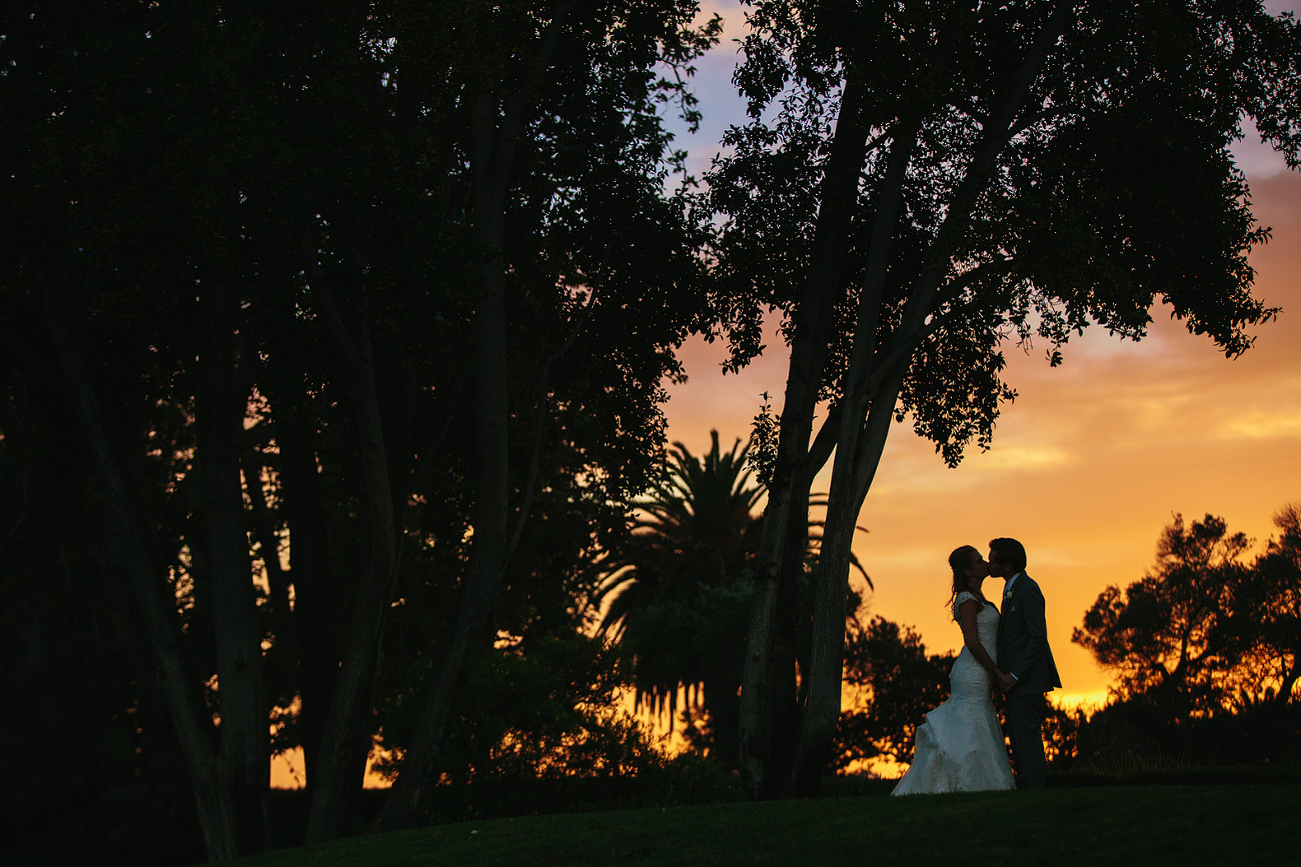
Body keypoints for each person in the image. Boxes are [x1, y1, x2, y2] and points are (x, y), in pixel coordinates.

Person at [892, 545, 1015, 795]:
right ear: (968, 571)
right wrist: (996, 671)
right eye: (979, 562)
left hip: (983, 672)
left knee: (979, 721)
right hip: (973, 672)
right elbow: (972, 642)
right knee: (970, 725)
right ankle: (963, 782)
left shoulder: (980, 599)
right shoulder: (967, 600)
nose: (984, 564)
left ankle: (981, 783)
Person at [988, 536, 1061, 789]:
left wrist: (1015, 675)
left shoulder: (1028, 590)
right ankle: (1029, 789)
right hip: (1017, 683)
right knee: (1020, 740)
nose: (989, 566)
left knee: (1028, 741)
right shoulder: (1012, 589)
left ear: (1007, 566)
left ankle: (1035, 793)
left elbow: (1037, 637)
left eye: (993, 561)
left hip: (1027, 682)